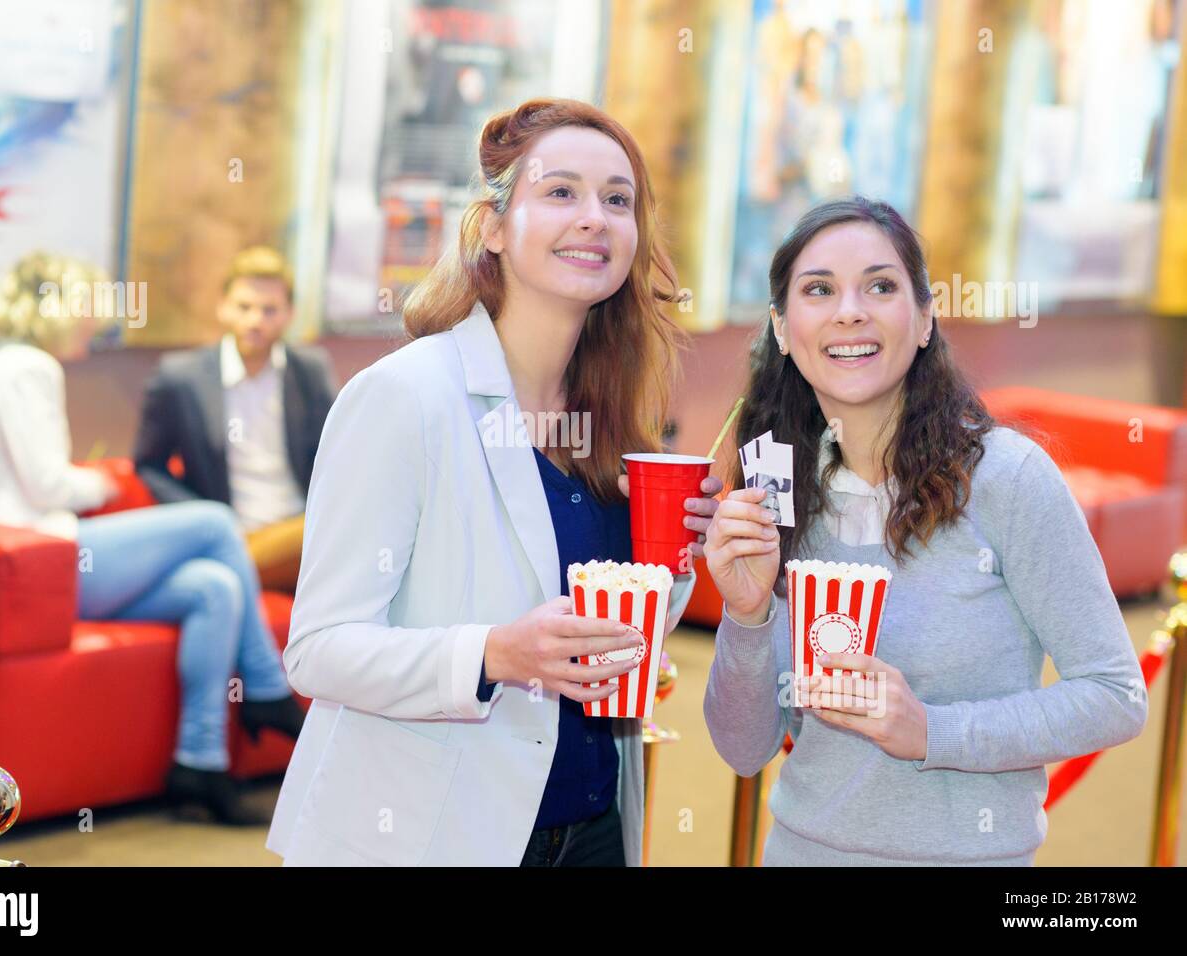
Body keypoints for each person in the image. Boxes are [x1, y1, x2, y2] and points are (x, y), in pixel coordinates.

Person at [267, 98, 722, 866]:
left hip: (595, 822)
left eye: (618, 200)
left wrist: (683, 553)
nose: (594, 218)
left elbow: (623, 629)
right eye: (560, 192)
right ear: (491, 227)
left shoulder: (613, 418)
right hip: (430, 831)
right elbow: (317, 649)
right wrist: (494, 655)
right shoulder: (404, 398)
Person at [702, 197, 1148, 865]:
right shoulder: (779, 488)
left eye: (880, 286)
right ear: (784, 330)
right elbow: (744, 748)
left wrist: (931, 732)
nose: (850, 310)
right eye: (819, 290)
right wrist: (746, 614)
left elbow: (1115, 697)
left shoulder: (1006, 480)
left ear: (925, 319)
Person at [0, 252, 306, 825]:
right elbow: (49, 483)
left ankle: (198, 762)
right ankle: (269, 685)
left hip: (25, 563)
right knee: (214, 523)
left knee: (215, 586)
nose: (93, 320)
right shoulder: (32, 368)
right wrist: (98, 483)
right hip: (43, 563)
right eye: (84, 307)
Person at [133, 246, 335, 592]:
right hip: (234, 531)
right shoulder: (182, 378)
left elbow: (338, 455)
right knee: (332, 540)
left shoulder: (309, 373)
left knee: (334, 527)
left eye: (270, 310)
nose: (255, 320)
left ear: (289, 314)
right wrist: (208, 520)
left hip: (299, 528)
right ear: (223, 307)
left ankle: (230, 575)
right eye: (244, 307)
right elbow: (149, 465)